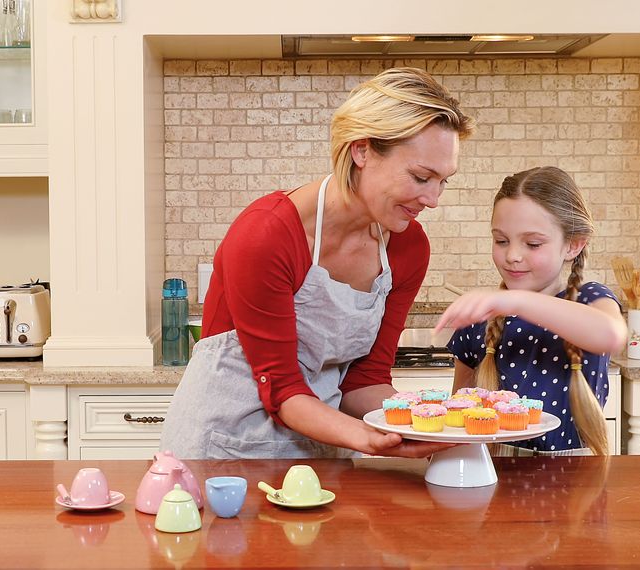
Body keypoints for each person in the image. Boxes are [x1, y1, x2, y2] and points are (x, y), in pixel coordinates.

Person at [160, 67, 474, 459]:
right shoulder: (266, 235)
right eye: (420, 176)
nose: (433, 199)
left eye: (444, 181)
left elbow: (365, 380)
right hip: (223, 447)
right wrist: (369, 439)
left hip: (321, 446)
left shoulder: (407, 249)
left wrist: (428, 422)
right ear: (362, 150)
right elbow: (282, 389)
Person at [435, 166, 627, 456]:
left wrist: (515, 302)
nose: (512, 255)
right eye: (501, 240)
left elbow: (610, 335)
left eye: (533, 243)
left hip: (574, 485)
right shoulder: (482, 319)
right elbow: (460, 412)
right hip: (492, 478)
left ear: (573, 245)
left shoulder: (589, 299)